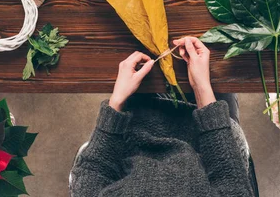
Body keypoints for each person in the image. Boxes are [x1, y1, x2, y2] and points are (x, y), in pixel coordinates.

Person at [70, 36, 255, 197]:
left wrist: (117, 101)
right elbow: (231, 180)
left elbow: (91, 174)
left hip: (131, 125)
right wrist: (202, 88)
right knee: (225, 66)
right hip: (205, 134)